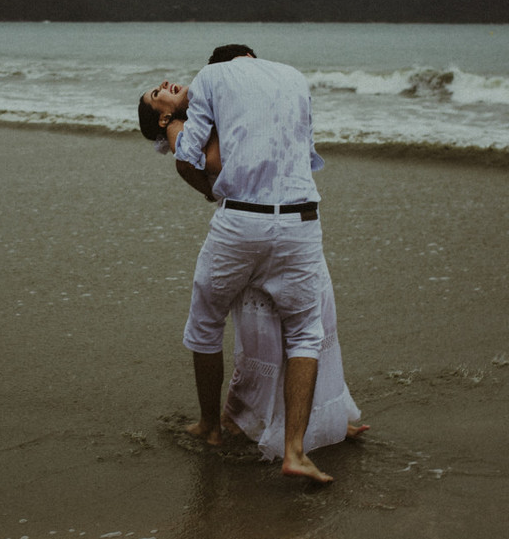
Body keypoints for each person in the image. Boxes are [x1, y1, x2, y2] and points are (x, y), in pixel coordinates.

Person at [139, 44, 352, 482]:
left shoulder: (211, 78)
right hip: (301, 219)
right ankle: (295, 452)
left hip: (242, 220)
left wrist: (209, 188)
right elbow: (307, 152)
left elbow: (188, 157)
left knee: (205, 322)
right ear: (252, 57)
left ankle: (210, 426)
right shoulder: (294, 76)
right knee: (306, 333)